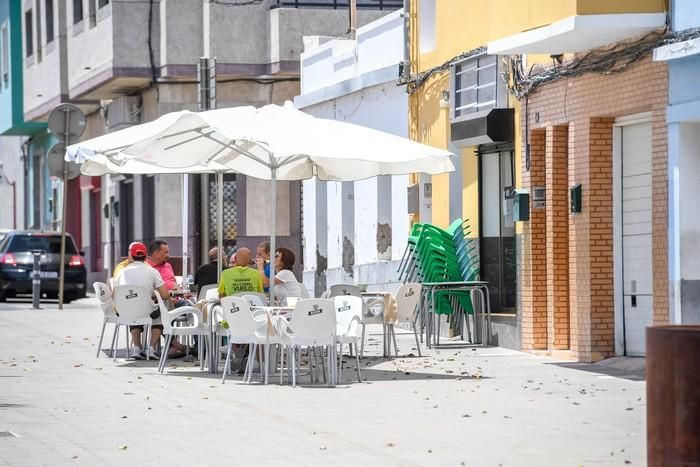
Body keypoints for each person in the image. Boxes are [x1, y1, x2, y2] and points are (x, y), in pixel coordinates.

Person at [114, 242, 170, 360]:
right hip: (146, 311)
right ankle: (151, 348)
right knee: (163, 306)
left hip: (125, 311)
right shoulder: (152, 271)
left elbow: (114, 295)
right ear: (146, 256)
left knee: (134, 309)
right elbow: (165, 295)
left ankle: (137, 348)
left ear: (131, 256)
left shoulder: (121, 272)